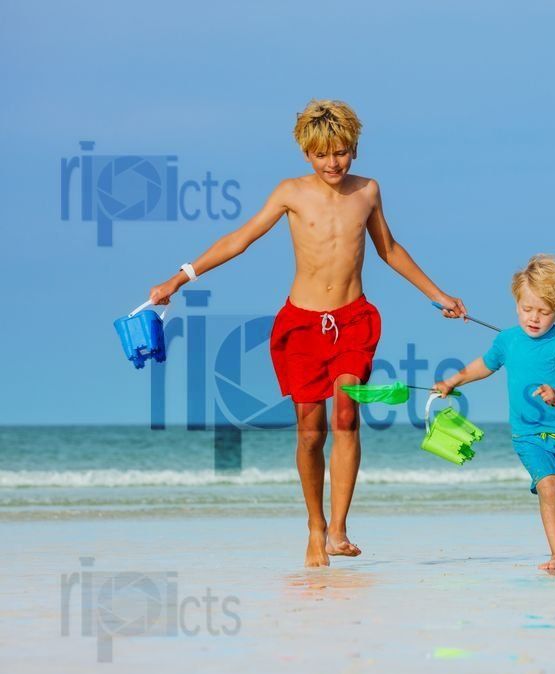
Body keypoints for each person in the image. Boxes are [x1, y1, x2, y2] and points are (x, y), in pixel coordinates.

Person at [147, 99, 468, 567]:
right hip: (301, 326)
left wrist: (437, 295)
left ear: (353, 148)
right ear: (307, 155)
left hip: (353, 321)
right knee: (310, 433)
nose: (332, 163)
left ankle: (338, 529)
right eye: (322, 155)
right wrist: (179, 277)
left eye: (339, 152)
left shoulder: (368, 192)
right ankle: (315, 525)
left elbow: (389, 249)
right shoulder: (291, 193)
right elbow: (240, 238)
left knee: (346, 419)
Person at [433, 255, 555, 573]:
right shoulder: (507, 340)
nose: (533, 318)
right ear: (516, 303)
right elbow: (484, 365)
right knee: (549, 487)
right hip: (528, 434)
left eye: (543, 312)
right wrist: (452, 380)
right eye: (526, 309)